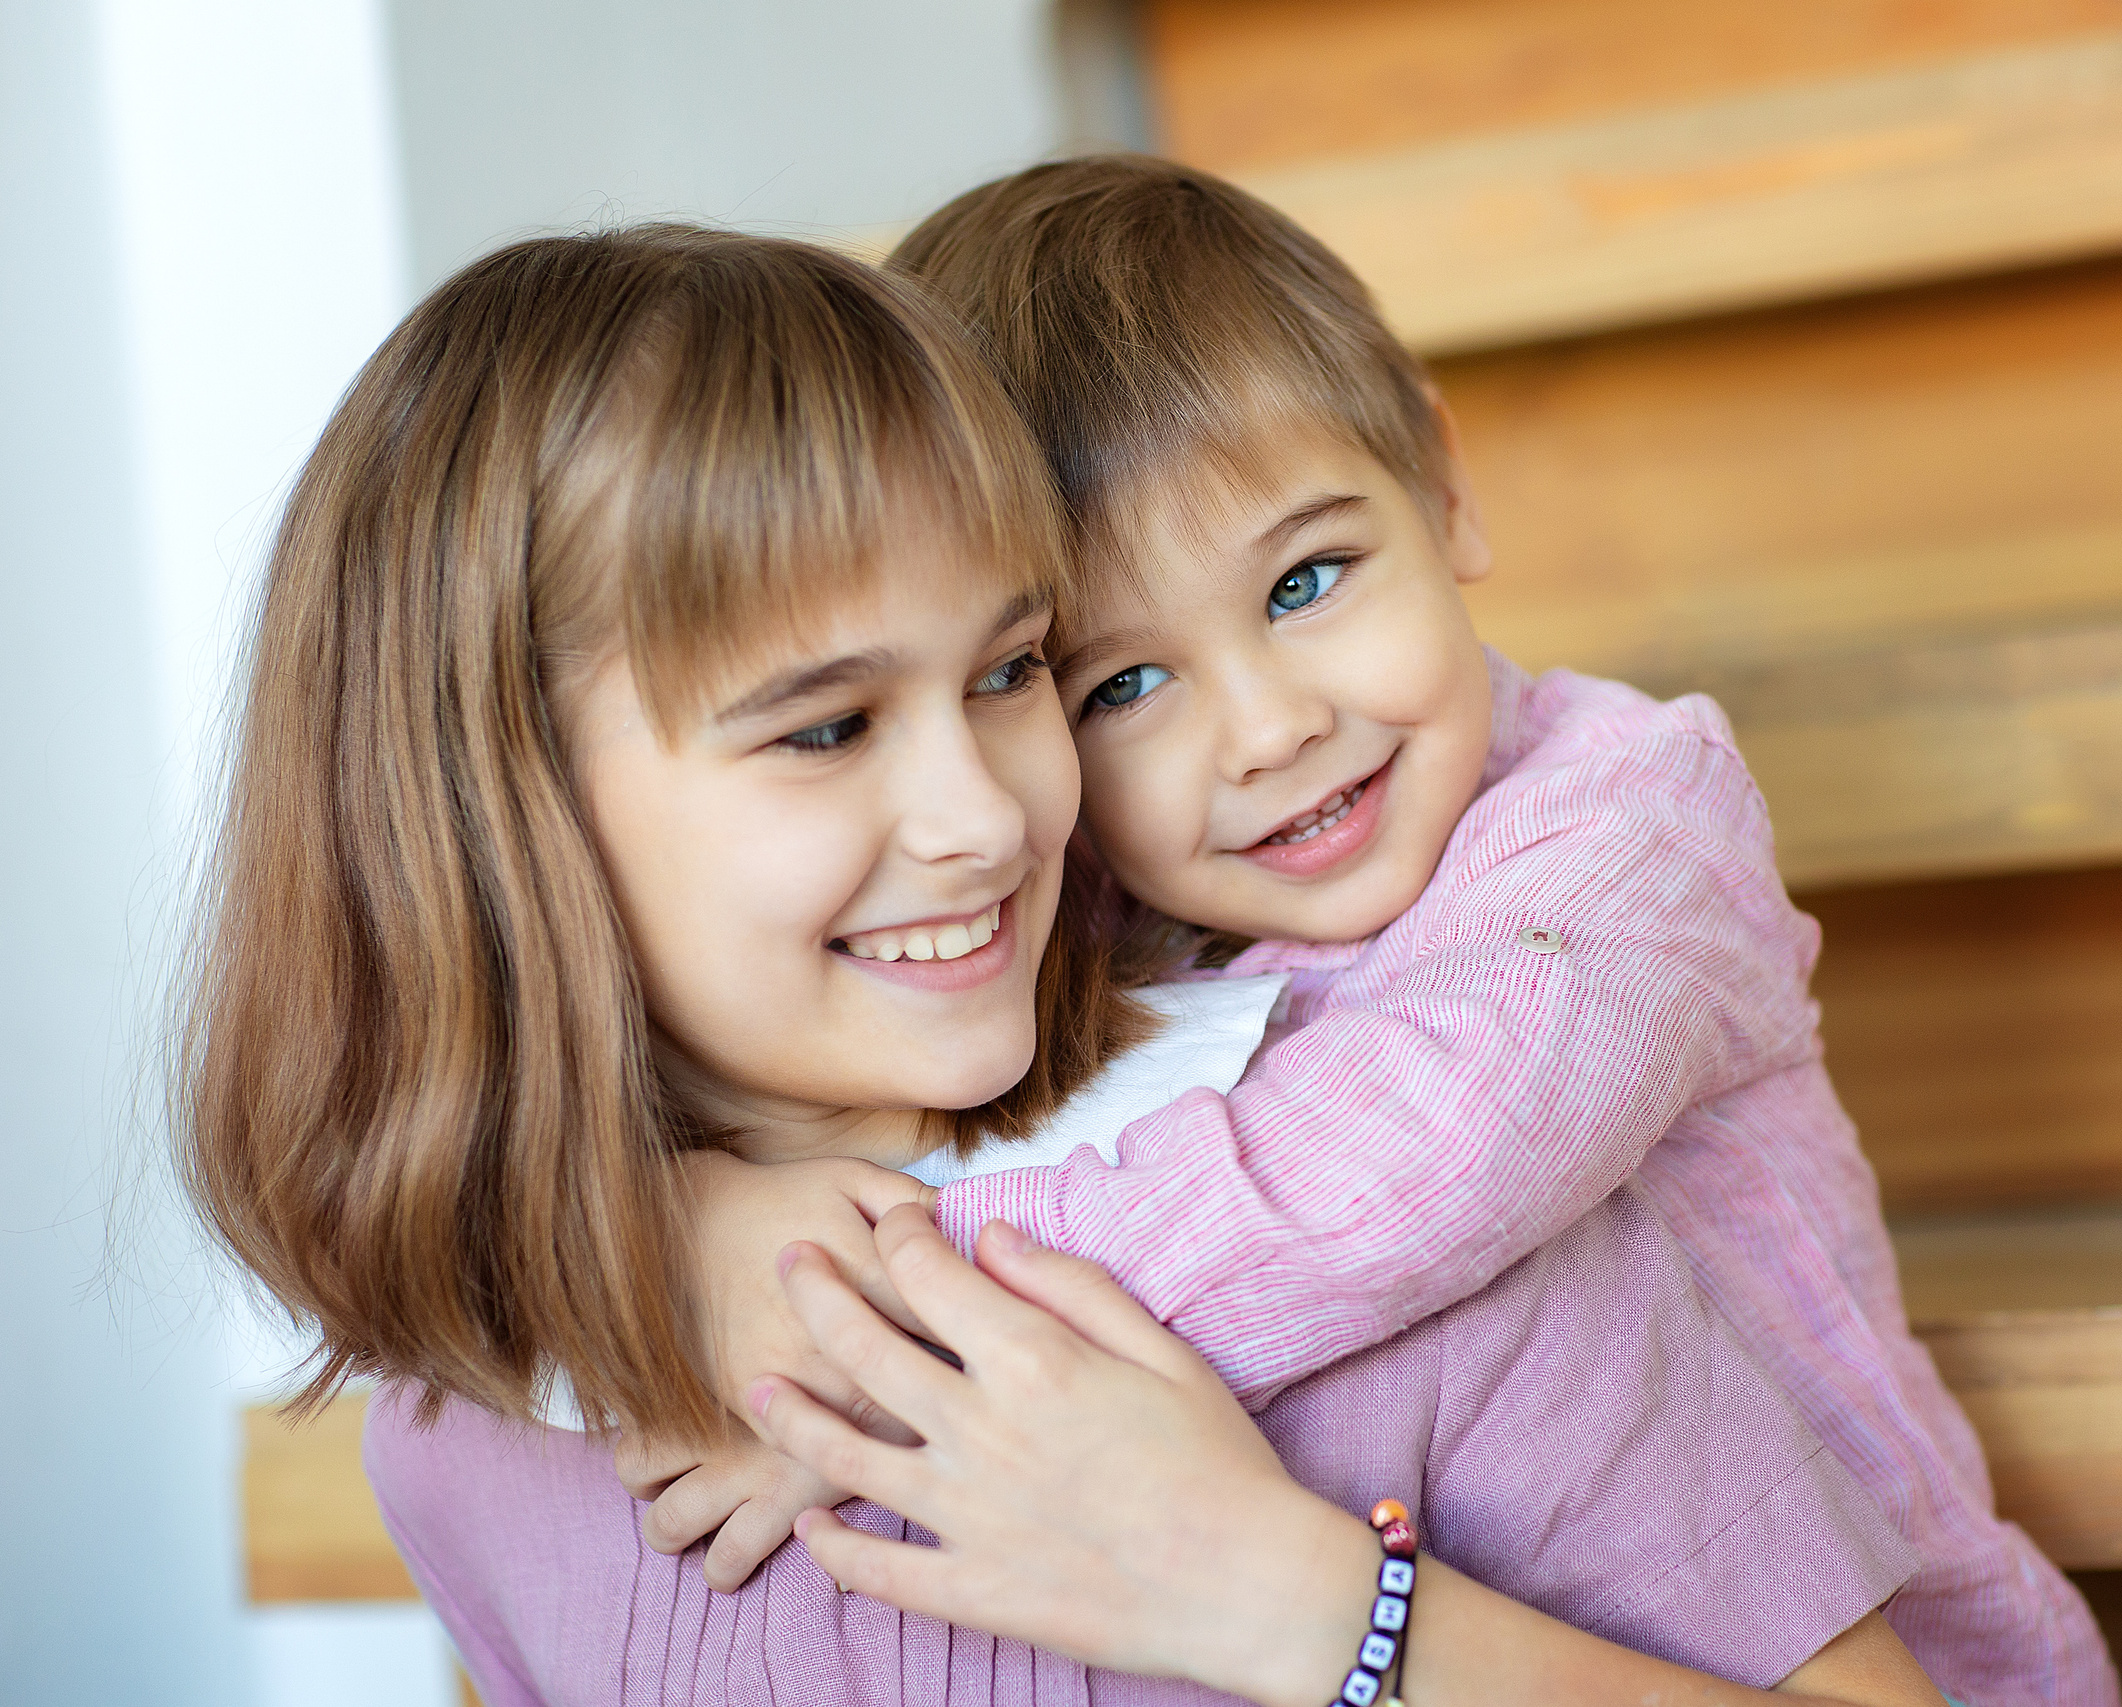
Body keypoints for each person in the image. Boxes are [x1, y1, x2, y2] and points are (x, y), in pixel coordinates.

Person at [177, 223, 1942, 1705]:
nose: (992, 816)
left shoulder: (1410, 1188)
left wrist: (1304, 1607)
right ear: (491, 821)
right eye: (827, 727)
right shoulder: (470, 1433)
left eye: (1011, 672)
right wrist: (651, 1241)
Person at [658, 159, 2113, 1707]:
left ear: (1442, 483)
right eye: (1122, 687)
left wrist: (870, 1315)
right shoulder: (1120, 909)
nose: (1274, 728)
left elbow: (1380, 1178)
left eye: (1308, 578)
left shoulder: (1629, 841)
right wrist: (693, 1209)